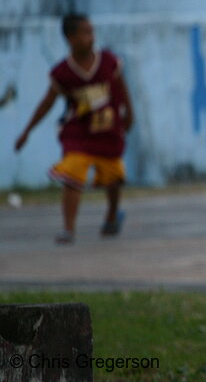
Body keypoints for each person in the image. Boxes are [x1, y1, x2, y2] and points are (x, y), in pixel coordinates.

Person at [14, 14, 134, 244]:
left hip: (108, 131)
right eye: (85, 32)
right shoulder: (63, 72)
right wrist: (27, 131)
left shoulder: (108, 62)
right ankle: (68, 229)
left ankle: (111, 215)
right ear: (70, 37)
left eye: (92, 32)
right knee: (72, 176)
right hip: (79, 133)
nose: (91, 37)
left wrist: (129, 114)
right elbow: (47, 102)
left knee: (114, 178)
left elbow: (122, 89)